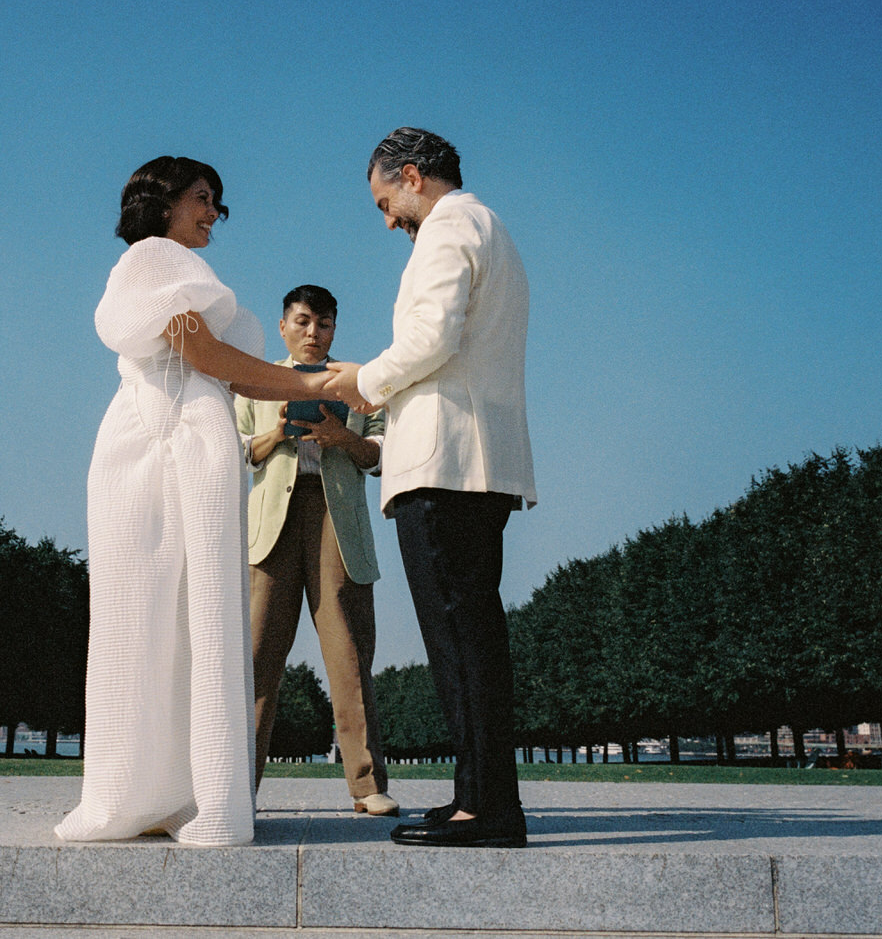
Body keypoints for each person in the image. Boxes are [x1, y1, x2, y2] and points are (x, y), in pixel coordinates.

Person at [55, 156, 333, 847]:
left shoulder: (160, 266)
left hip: (165, 431)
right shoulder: (158, 259)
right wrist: (321, 384)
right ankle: (194, 797)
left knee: (149, 612)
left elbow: (221, 367)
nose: (214, 212)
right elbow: (209, 357)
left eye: (216, 200)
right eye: (202, 197)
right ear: (162, 202)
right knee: (191, 611)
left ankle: (149, 793)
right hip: (172, 435)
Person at [325, 128, 537, 848]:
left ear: (411, 176)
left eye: (388, 203)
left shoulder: (448, 231)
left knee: (460, 640)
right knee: (468, 637)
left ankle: (490, 810)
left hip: (446, 467)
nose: (388, 221)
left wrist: (360, 383)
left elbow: (431, 341)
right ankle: (476, 796)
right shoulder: (489, 228)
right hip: (476, 461)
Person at [235, 285, 398, 817]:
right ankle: (237, 788)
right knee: (258, 659)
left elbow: (377, 454)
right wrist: (279, 433)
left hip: (336, 524)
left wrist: (338, 436)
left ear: (334, 330)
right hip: (271, 527)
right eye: (303, 322)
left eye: (324, 324)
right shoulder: (255, 381)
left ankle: (368, 786)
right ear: (283, 326)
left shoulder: (358, 383)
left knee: (349, 656)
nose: (313, 333)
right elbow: (239, 451)